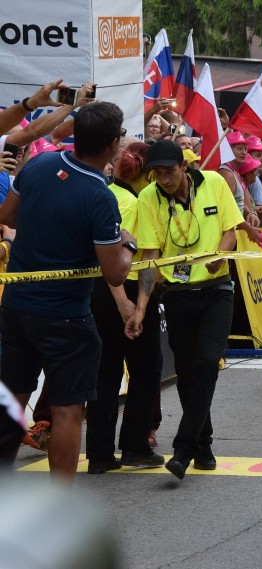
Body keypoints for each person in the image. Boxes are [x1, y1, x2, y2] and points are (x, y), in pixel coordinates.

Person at [0, 100, 135, 482]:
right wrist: (128, 245)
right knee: (67, 411)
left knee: (12, 402)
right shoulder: (101, 196)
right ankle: (59, 506)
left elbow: (6, 216)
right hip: (66, 316)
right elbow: (113, 273)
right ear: (111, 145)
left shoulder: (41, 165)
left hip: (17, 306)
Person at [127, 140, 243, 480]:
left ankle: (183, 448)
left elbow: (230, 232)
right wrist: (140, 308)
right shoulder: (149, 198)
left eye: (170, 172)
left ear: (185, 167)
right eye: (157, 174)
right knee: (188, 372)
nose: (164, 179)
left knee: (208, 362)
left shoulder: (215, 183)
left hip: (216, 290)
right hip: (177, 294)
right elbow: (150, 258)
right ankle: (203, 443)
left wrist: (220, 254)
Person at [86, 142, 164, 474]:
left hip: (95, 291)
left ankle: (100, 453)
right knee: (146, 369)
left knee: (106, 373)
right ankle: (134, 446)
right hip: (125, 288)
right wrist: (125, 303)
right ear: (146, 174)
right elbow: (126, 254)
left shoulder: (107, 194)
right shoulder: (136, 202)